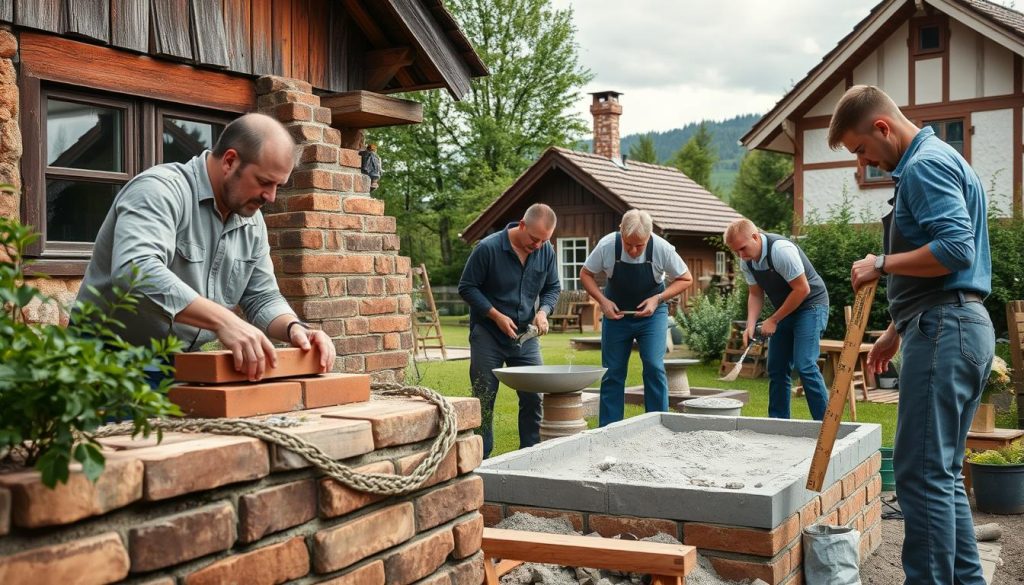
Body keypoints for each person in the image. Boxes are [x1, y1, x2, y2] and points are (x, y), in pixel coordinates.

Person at [830, 85, 994, 585]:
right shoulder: (940, 160)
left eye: (861, 150)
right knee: (939, 477)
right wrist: (894, 332)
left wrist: (880, 263)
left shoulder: (923, 166)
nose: (865, 163)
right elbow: (941, 266)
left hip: (946, 331)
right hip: (953, 325)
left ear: (882, 126)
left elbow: (956, 249)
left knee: (920, 476)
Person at [76, 113, 336, 383]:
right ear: (230, 161)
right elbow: (135, 271)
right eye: (264, 182)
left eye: (278, 186)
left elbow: (262, 297)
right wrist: (224, 320)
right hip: (102, 365)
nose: (271, 197)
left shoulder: (251, 220)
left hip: (182, 368)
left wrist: (294, 328)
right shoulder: (159, 190)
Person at [458, 203, 560, 458]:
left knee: (533, 397)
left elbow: (552, 288)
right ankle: (482, 459)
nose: (538, 245)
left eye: (544, 240)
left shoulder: (546, 250)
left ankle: (530, 455)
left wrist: (543, 311)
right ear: (521, 225)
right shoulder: (488, 248)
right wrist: (495, 315)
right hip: (488, 334)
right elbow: (467, 287)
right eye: (534, 239)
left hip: (525, 336)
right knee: (484, 397)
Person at [579, 209, 692, 426]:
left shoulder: (662, 248)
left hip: (652, 315)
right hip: (616, 315)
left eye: (639, 245)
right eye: (628, 243)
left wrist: (658, 299)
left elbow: (685, 278)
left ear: (649, 236)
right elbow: (586, 273)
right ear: (620, 230)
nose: (632, 250)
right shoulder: (606, 246)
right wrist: (603, 301)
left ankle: (658, 424)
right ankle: (609, 428)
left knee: (653, 365)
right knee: (612, 372)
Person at [723, 219, 830, 421]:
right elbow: (755, 294)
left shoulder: (781, 250)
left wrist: (773, 319)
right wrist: (751, 324)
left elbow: (802, 289)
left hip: (811, 305)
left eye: (743, 249)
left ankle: (826, 427)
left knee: (805, 364)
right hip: (787, 308)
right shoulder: (746, 260)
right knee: (777, 367)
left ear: (755, 237)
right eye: (736, 251)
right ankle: (778, 424)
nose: (741, 255)